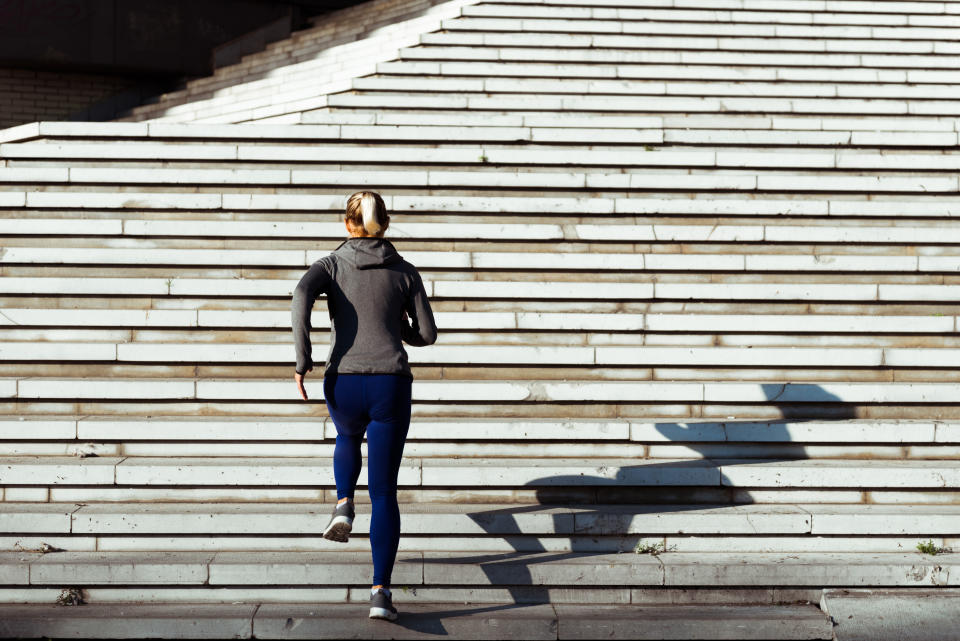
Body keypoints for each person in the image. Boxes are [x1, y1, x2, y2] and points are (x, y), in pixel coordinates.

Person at [291, 190, 438, 621]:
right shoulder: (406, 271)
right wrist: (397, 328)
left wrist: (303, 361)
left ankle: (342, 504)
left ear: (347, 224)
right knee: (385, 493)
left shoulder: (330, 265)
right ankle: (379, 594)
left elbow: (300, 296)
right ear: (386, 224)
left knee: (346, 435)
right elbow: (427, 335)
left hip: (343, 380)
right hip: (390, 383)